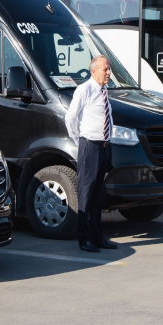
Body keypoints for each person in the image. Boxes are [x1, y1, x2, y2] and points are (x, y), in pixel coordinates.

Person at [65, 55, 118, 252]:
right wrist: (79, 140)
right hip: (90, 146)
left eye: (109, 69)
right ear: (93, 71)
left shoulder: (104, 91)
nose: (108, 73)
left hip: (104, 147)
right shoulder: (84, 90)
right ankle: (84, 238)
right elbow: (70, 118)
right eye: (105, 69)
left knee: (97, 196)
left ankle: (98, 236)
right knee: (86, 195)